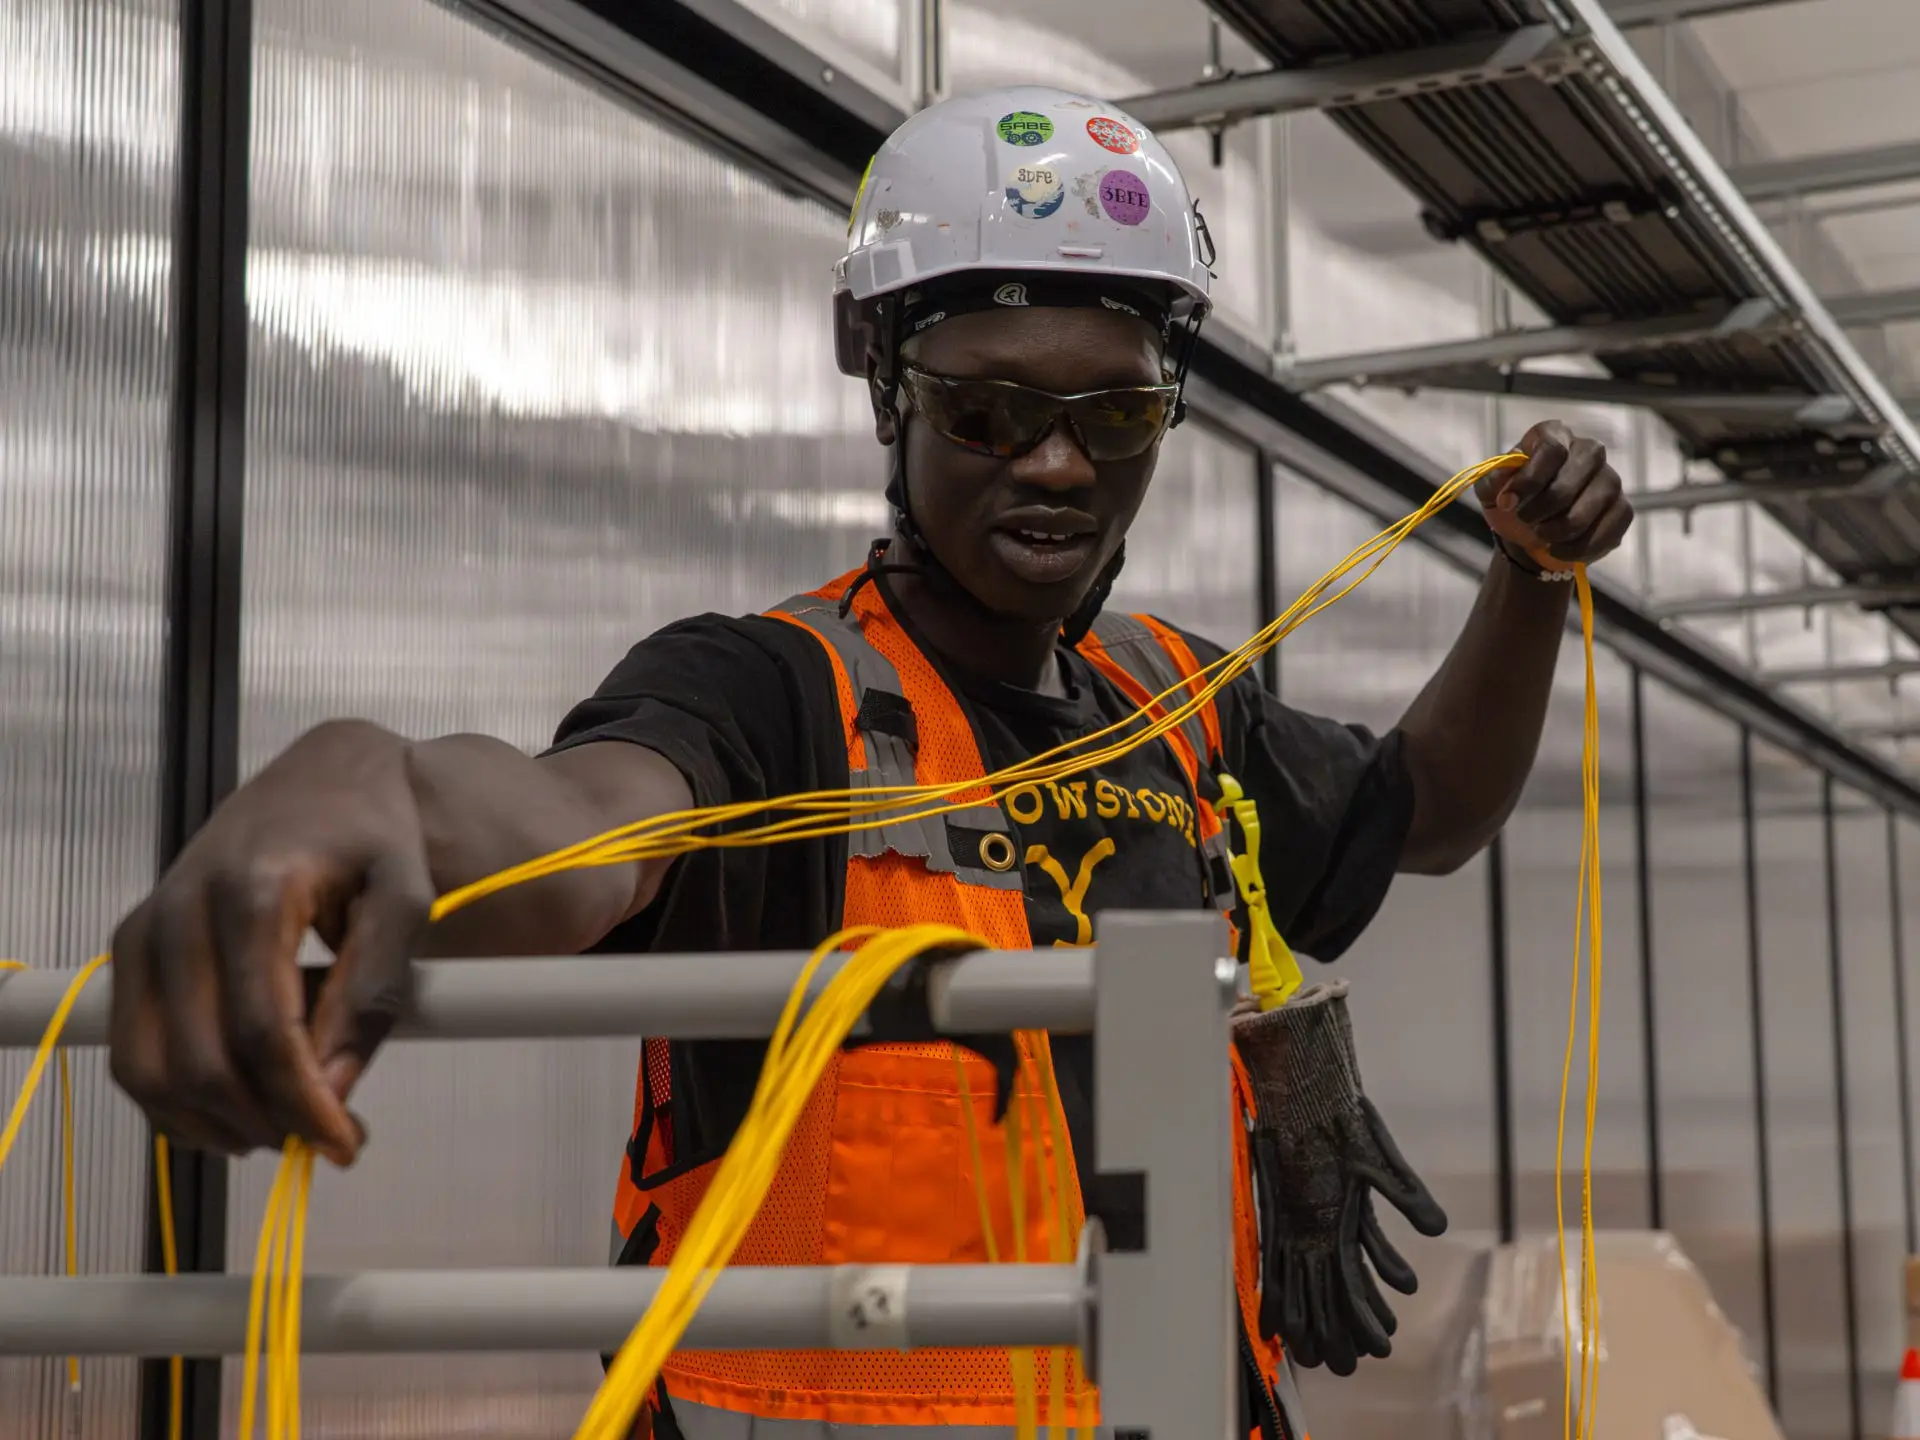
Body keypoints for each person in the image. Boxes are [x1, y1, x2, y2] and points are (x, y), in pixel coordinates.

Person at [106, 85, 1632, 1438]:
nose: (1055, 465)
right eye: (988, 410)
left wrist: (1523, 580)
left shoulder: (1174, 703)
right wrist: (359, 775)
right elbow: (571, 832)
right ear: (887, 386)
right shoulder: (772, 696)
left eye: (1115, 414)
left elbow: (1426, 811)